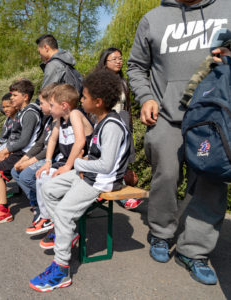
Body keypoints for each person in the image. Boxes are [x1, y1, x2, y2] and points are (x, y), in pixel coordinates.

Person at [127, 0, 230, 285]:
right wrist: (146, 97)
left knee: (211, 182)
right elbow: (135, 66)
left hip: (213, 117)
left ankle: (194, 251)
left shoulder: (228, 9)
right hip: (165, 116)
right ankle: (161, 233)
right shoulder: (153, 18)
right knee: (166, 175)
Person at [29, 69, 130, 292]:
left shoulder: (112, 125)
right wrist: (83, 163)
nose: (81, 101)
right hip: (88, 174)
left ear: (98, 101)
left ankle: (61, 268)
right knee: (49, 188)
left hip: (101, 180)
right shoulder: (100, 120)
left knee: (64, 213)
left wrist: (79, 164)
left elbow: (105, 165)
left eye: (83, 97)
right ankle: (69, 232)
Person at [0, 79, 42, 224]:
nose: (11, 98)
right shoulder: (22, 113)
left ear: (25, 97)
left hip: (25, 154)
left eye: (15, 95)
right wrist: (2, 148)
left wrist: (5, 151)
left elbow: (24, 141)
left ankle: (4, 211)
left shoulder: (30, 113)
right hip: (17, 151)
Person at [32, 84, 93, 240]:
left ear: (64, 106)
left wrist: (67, 166)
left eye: (52, 105)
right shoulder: (60, 119)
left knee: (48, 181)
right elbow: (52, 139)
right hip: (66, 163)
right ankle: (48, 218)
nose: (50, 109)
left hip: (80, 164)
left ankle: (59, 224)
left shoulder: (75, 114)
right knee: (42, 175)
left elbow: (80, 142)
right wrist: (47, 162)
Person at [96, 47, 141, 210]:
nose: (118, 61)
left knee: (121, 159)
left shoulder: (123, 81)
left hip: (122, 122)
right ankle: (122, 198)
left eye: (120, 58)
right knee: (111, 158)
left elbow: (126, 107)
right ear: (105, 62)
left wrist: (129, 126)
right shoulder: (99, 81)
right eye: (114, 59)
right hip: (106, 123)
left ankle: (117, 193)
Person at [11, 83, 58, 223]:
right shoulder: (49, 120)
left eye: (42, 103)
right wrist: (23, 160)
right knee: (15, 170)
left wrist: (29, 162)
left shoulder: (59, 122)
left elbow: (52, 149)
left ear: (52, 103)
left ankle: (48, 205)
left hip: (53, 159)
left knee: (26, 176)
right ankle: (36, 203)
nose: (40, 106)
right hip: (44, 156)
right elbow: (39, 144)